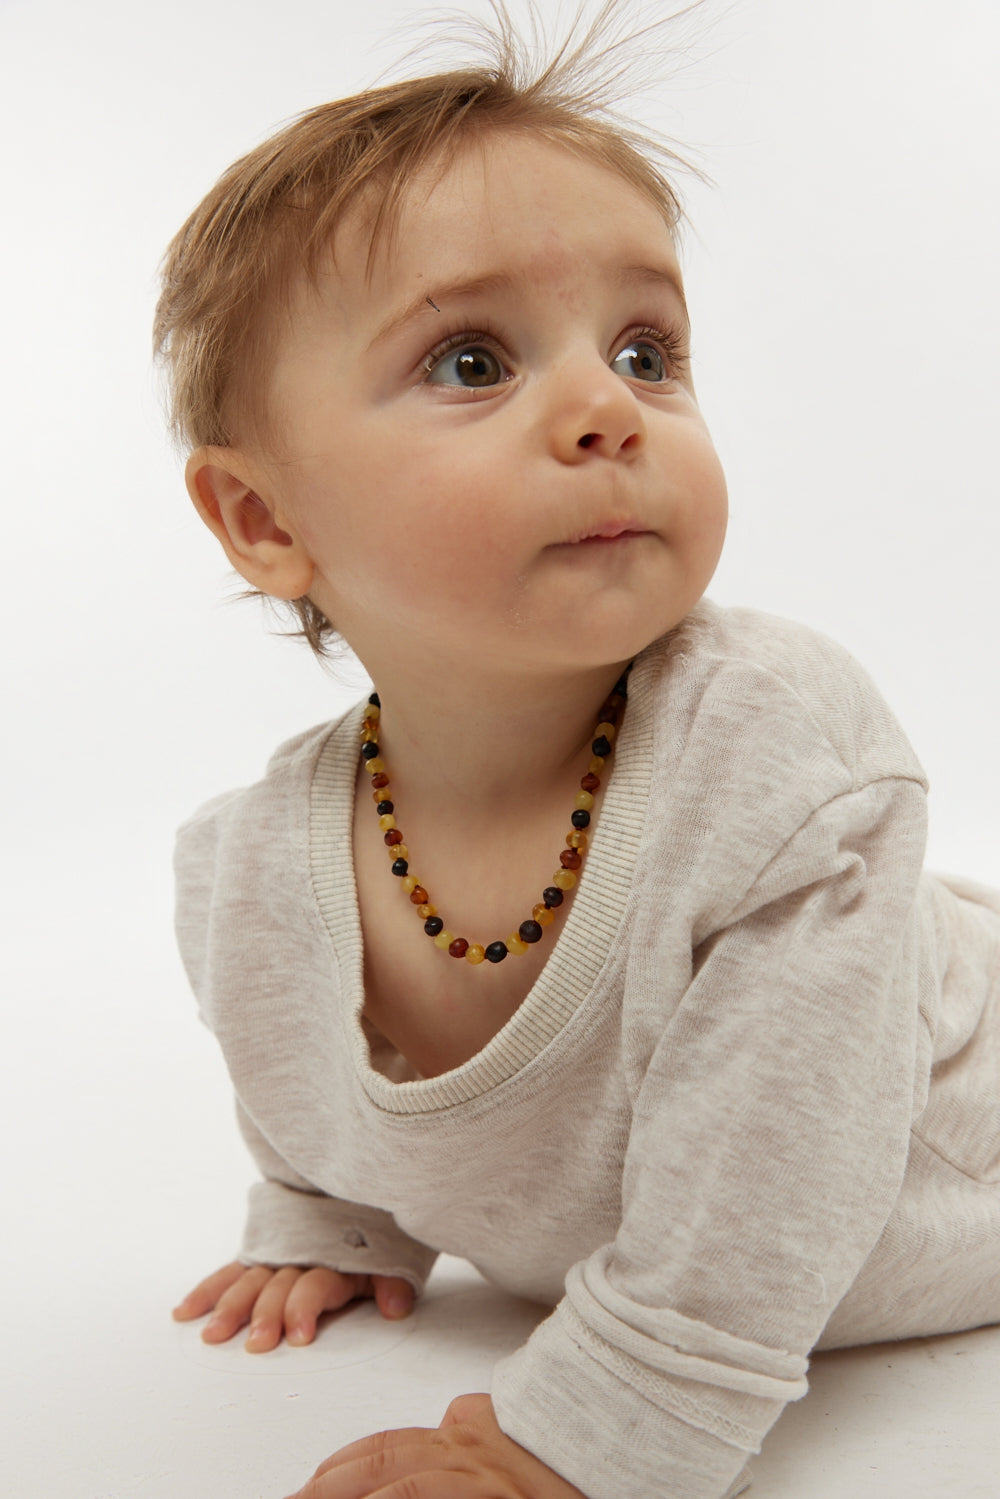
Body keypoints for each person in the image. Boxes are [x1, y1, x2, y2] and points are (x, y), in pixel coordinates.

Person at [155, 6, 1000, 1497]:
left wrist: (576, 1443)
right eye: (472, 359)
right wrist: (335, 1216)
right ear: (265, 520)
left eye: (646, 349)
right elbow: (305, 1076)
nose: (607, 406)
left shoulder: (779, 751)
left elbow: (768, 1183)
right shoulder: (249, 871)